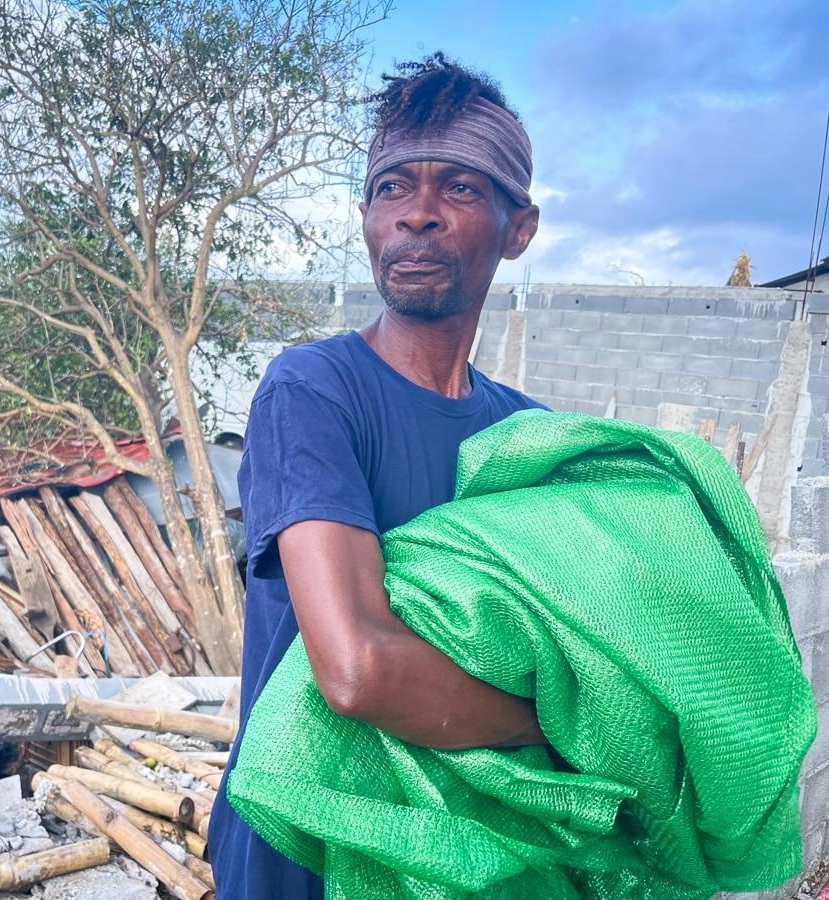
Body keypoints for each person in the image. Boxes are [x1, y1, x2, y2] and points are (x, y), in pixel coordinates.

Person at [208, 54, 549, 899]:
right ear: (366, 215)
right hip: (307, 853)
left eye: (461, 189)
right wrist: (557, 727)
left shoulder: (529, 436)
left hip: (461, 855)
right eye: (394, 187)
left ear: (519, 228)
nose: (418, 216)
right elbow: (356, 668)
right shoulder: (314, 391)